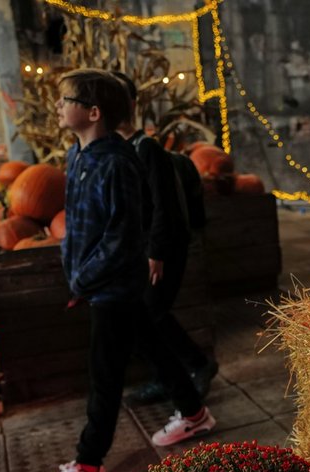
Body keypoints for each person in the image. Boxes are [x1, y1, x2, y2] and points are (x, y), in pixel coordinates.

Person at [32, 69, 216, 472]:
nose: (58, 106)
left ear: (93, 112)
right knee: (151, 344)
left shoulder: (117, 163)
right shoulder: (77, 156)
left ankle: (88, 467)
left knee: (105, 375)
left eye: (66, 100)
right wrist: (74, 270)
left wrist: (84, 278)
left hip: (112, 286)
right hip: (97, 282)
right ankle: (194, 412)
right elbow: (78, 226)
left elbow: (122, 236)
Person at [109, 70, 218, 403]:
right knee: (139, 317)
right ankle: (164, 377)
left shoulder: (147, 149)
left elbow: (164, 206)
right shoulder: (116, 150)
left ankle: (198, 364)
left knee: (152, 312)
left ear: (130, 104)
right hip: (134, 251)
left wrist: (156, 253)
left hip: (162, 248)